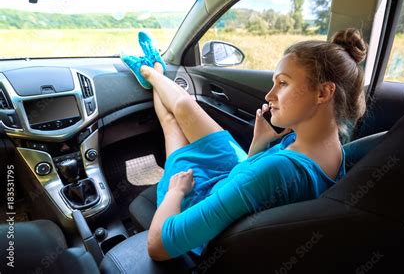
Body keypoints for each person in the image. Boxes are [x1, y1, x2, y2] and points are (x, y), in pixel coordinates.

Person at [121, 28, 367, 261]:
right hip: (238, 175)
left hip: (197, 197)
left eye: (282, 83)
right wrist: (260, 142)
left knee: (170, 123)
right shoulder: (334, 149)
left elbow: (159, 245)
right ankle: (153, 71)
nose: (269, 96)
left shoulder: (278, 169)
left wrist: (176, 191)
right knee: (184, 107)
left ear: (323, 93)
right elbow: (259, 183)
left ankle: (150, 70)